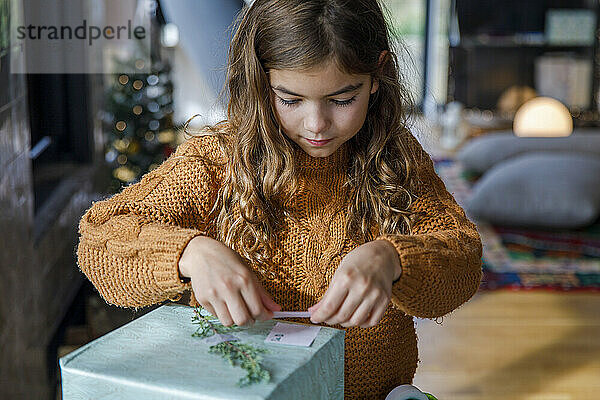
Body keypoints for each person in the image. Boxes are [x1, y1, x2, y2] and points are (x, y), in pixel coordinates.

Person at [76, 0, 483, 398]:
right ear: (260, 81)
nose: (317, 124)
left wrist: (393, 260)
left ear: (377, 76)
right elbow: (100, 240)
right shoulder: (217, 160)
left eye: (343, 99)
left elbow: (463, 259)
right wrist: (189, 253)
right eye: (290, 99)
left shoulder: (395, 159)